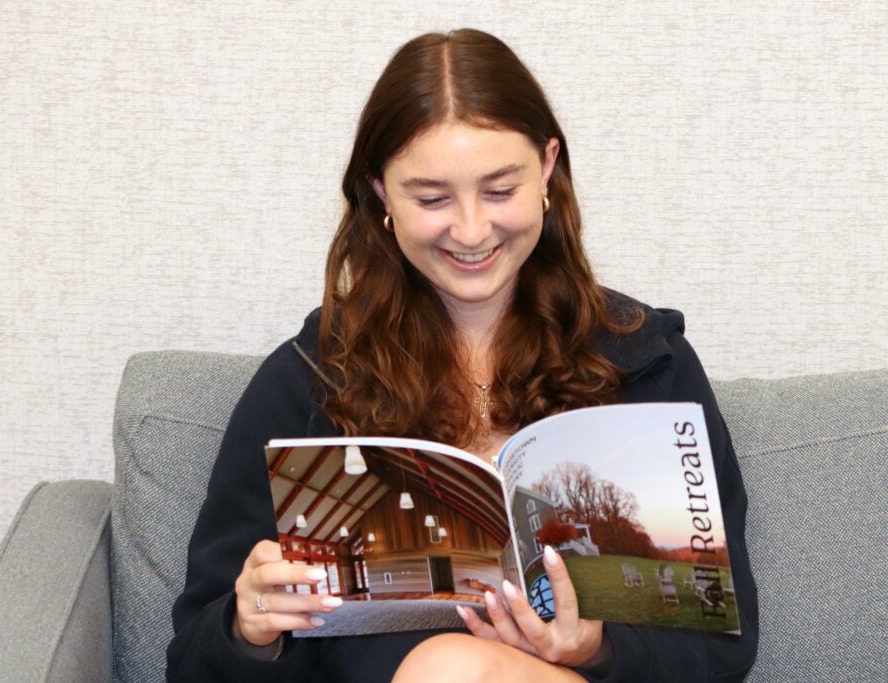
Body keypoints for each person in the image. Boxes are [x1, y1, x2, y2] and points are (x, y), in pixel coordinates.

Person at [167, 28, 758, 682]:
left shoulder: (647, 364)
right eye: (432, 198)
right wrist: (247, 628)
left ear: (548, 170)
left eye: (500, 190)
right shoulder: (309, 382)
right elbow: (192, 662)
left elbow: (724, 646)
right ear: (380, 194)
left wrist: (595, 649)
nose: (473, 230)